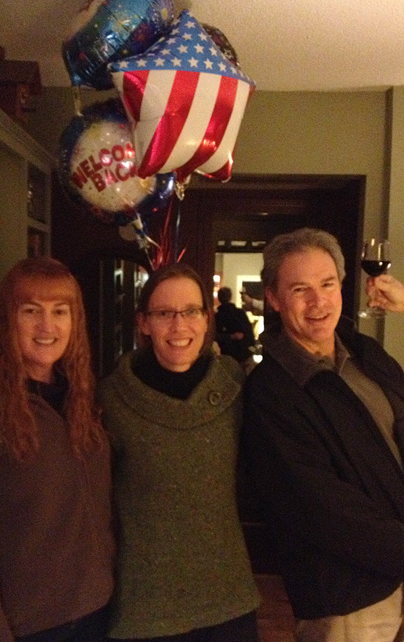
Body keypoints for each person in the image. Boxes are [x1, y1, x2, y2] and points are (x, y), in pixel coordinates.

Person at [0, 257, 114, 642]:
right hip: (28, 628)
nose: (47, 326)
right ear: (7, 321)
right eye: (31, 311)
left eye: (60, 311)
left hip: (97, 610)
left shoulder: (81, 397)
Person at [241, 227, 404, 642]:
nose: (318, 301)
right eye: (300, 289)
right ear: (273, 298)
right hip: (350, 596)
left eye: (327, 284)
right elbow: (320, 507)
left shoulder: (366, 353)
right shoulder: (270, 391)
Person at [98, 263, 260, 642]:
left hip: (228, 597)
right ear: (143, 322)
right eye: (164, 313)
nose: (179, 325)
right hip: (145, 607)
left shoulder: (234, 384)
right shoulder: (110, 399)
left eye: (191, 311)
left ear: (206, 319)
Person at [215, 286, 256, 369]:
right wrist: (252, 347)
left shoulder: (217, 317)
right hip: (244, 355)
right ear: (230, 297)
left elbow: (215, 336)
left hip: (227, 357)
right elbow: (249, 332)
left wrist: (229, 337)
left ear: (219, 298)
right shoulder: (239, 313)